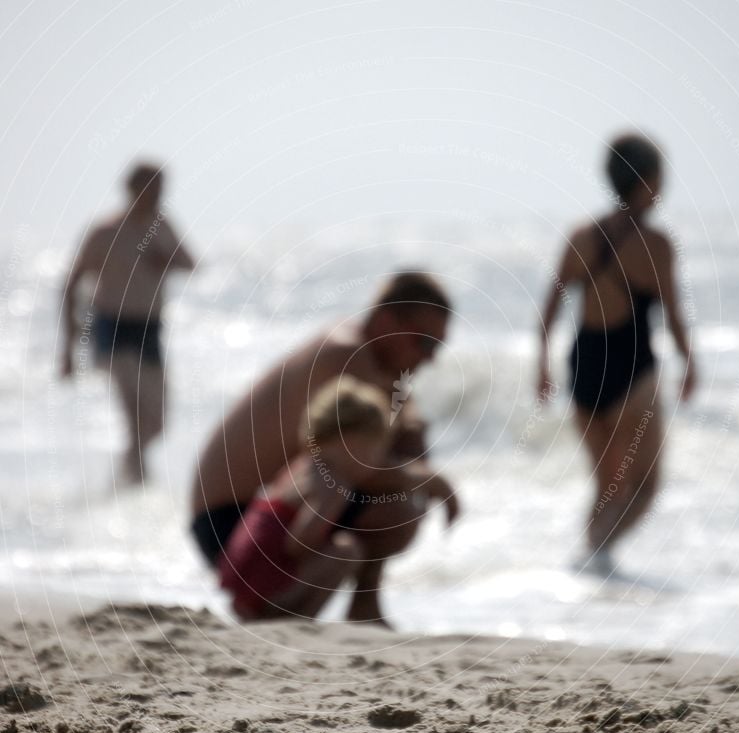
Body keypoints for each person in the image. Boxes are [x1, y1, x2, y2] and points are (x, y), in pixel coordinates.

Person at [190, 271, 460, 626]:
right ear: (385, 321)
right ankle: (295, 615)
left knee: (401, 486)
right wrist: (434, 482)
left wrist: (413, 442)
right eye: (423, 344)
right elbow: (358, 465)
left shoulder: (380, 368)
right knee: (398, 507)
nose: (429, 359)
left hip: (262, 517)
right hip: (231, 522)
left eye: (436, 348)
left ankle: (360, 607)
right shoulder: (345, 354)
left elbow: (399, 439)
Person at [537, 133, 696, 572]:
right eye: (660, 177)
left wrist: (541, 369)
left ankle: (587, 567)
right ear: (646, 182)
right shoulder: (657, 245)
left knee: (608, 485)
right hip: (632, 367)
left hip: (584, 367)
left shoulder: (582, 237)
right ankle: (594, 557)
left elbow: (548, 310)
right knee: (643, 487)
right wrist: (690, 364)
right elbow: (673, 315)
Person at [60, 162, 195, 483]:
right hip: (112, 327)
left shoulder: (161, 227)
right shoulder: (105, 233)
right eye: (151, 188)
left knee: (157, 422)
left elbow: (190, 263)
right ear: (132, 189)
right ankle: (137, 487)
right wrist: (67, 346)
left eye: (161, 189)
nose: (157, 196)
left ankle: (123, 475)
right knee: (135, 414)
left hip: (149, 329)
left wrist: (166, 260)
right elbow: (71, 284)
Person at [220, 376, 391, 621]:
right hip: (266, 589)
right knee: (347, 550)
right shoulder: (334, 484)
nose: (377, 461)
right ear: (350, 441)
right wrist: (324, 544)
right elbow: (297, 543)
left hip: (241, 583)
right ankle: (300, 619)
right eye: (374, 450)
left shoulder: (302, 466)